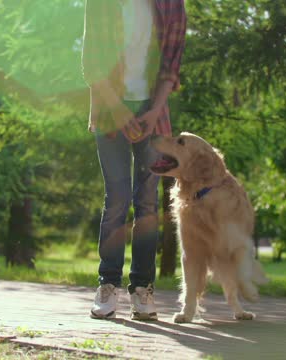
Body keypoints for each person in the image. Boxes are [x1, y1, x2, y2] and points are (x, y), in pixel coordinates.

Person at [81, 0, 186, 320]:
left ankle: (142, 288)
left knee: (147, 202)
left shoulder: (171, 4)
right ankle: (107, 285)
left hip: (153, 111)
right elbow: (92, 64)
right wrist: (119, 110)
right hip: (110, 108)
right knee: (117, 197)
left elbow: (171, 60)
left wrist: (155, 110)